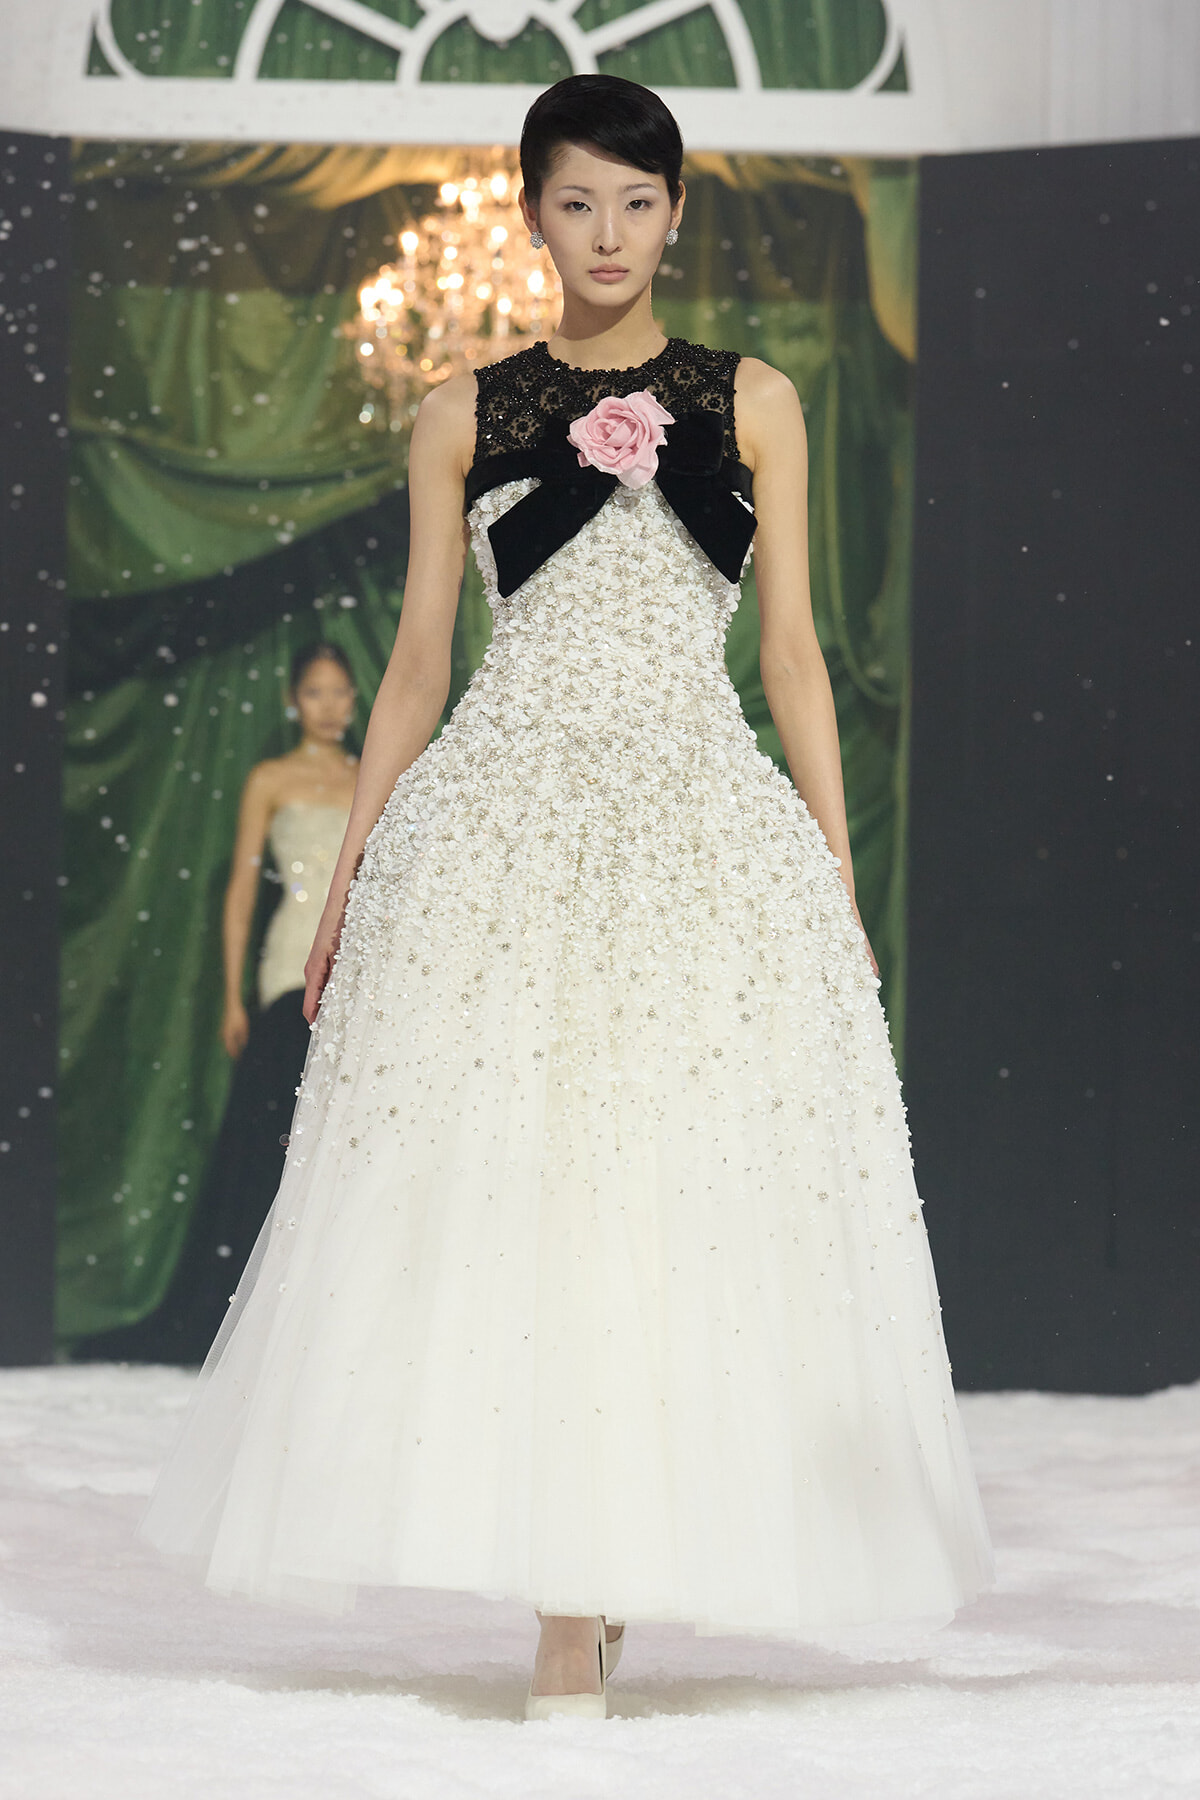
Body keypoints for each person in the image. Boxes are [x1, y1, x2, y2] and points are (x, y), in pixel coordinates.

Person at [139, 75, 993, 1720]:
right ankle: (558, 1604)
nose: (606, 234)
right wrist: (351, 877)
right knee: (513, 1202)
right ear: (531, 211)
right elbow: (411, 668)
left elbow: (798, 658)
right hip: (503, 821)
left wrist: (832, 865)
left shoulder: (760, 401)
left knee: (659, 1194)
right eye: (575, 202)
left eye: (636, 202)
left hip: (692, 823)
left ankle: (611, 1560)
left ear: (677, 216)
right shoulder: (462, 410)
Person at [77, 644, 357, 1365]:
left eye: (340, 693)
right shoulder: (270, 778)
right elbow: (241, 889)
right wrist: (233, 991)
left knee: (333, 1136)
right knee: (265, 1139)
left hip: (358, 972)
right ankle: (232, 1305)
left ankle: (318, 1307)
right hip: (286, 969)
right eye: (316, 693)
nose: (330, 706)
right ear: (295, 700)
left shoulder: (368, 776)